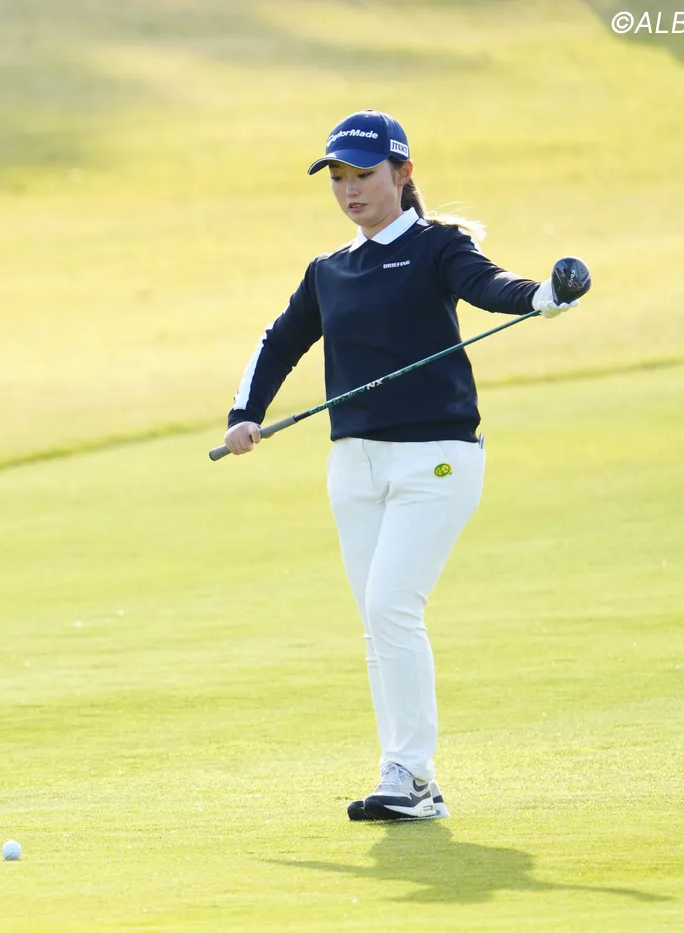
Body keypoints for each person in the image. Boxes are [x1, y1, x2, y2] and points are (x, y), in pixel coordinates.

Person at [222, 110, 581, 821]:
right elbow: (280, 340)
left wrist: (543, 296)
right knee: (376, 620)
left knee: (391, 606)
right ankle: (408, 777)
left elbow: (490, 284)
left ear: (403, 173)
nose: (350, 190)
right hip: (353, 464)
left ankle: (411, 775)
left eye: (364, 175)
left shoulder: (438, 246)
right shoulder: (329, 269)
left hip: (436, 460)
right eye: (339, 178)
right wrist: (244, 412)